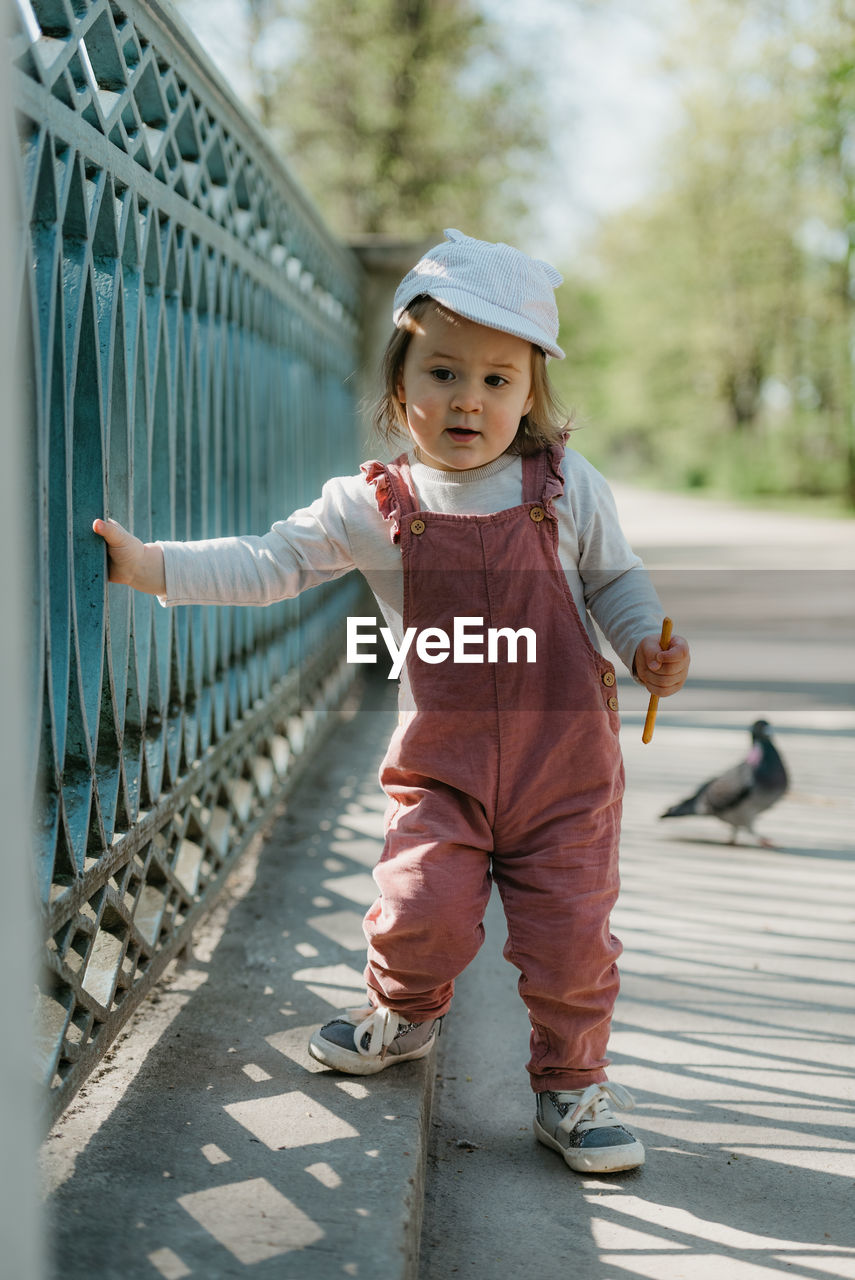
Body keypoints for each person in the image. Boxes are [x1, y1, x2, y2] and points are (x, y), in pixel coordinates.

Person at [94, 228, 690, 1175]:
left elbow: (616, 589)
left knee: (572, 939)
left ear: (531, 393)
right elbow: (270, 562)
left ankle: (572, 1085)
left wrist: (648, 648)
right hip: (442, 765)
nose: (469, 398)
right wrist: (153, 565)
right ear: (398, 384)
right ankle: (403, 1014)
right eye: (444, 372)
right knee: (419, 912)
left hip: (565, 772)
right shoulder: (374, 502)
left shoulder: (568, 487)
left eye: (498, 380)